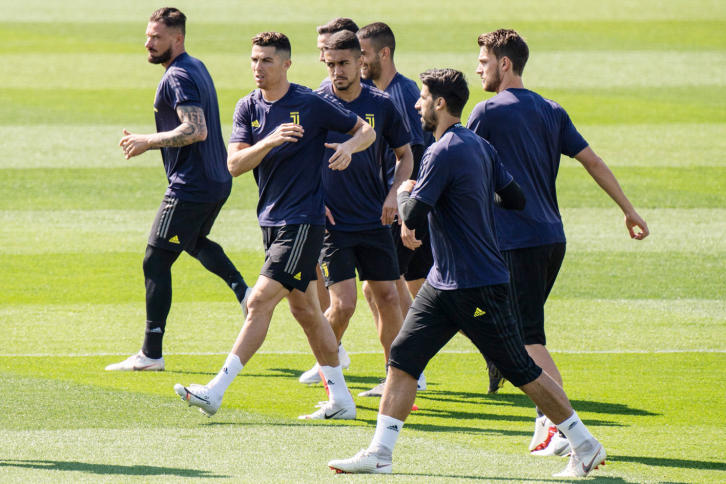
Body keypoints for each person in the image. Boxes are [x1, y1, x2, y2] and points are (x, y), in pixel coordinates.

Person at [327, 68, 606, 478]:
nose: (417, 104)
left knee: (521, 368)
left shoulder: (441, 151)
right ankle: (380, 453)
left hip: (476, 286)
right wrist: (468, 199)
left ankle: (585, 444)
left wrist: (404, 191)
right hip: (443, 284)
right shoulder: (479, 146)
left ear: (440, 103)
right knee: (403, 357)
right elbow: (515, 198)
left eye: (423, 98)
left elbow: (413, 215)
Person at [173, 32, 375, 420]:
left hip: (302, 222)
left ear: (286, 65)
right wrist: (269, 141)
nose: (258, 68)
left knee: (259, 301)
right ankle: (341, 400)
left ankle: (215, 391)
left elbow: (365, 131)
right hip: (271, 222)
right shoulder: (247, 107)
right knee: (307, 311)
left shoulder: (310, 103)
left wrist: (348, 148)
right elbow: (234, 165)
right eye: (254, 60)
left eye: (266, 60)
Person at [467, 29, 649, 455]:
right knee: (516, 330)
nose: (478, 68)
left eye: (483, 61)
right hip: (551, 238)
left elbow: (460, 161)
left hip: (517, 241)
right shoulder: (552, 110)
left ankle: (566, 430)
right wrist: (628, 209)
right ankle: (545, 423)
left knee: (527, 338)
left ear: (504, 64)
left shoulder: (487, 112)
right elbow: (592, 161)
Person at [108, 7, 250, 372]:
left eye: (156, 37)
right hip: (216, 180)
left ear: (178, 38)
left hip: (192, 185)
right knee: (192, 240)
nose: (148, 43)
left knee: (155, 259)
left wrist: (146, 141)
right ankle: (244, 291)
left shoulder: (178, 76)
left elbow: (195, 130)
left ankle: (150, 354)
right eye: (148, 36)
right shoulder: (195, 66)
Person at [300, 31, 414, 396]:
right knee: (344, 304)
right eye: (330, 64)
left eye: (344, 64)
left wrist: (394, 194)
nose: (336, 71)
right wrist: (315, 202)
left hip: (374, 218)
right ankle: (329, 376)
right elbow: (298, 163)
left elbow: (406, 156)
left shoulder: (382, 104)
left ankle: (393, 382)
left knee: (389, 298)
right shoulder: (316, 104)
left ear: (360, 62)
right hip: (333, 224)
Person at [354, 21, 433, 395]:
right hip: (389, 205)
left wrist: (404, 210)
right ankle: (407, 368)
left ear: (383, 54)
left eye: (363, 54)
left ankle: (405, 371)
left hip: (401, 207)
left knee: (382, 287)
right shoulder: (373, 92)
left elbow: (415, 155)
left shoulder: (401, 95)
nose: (359, 61)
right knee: (410, 289)